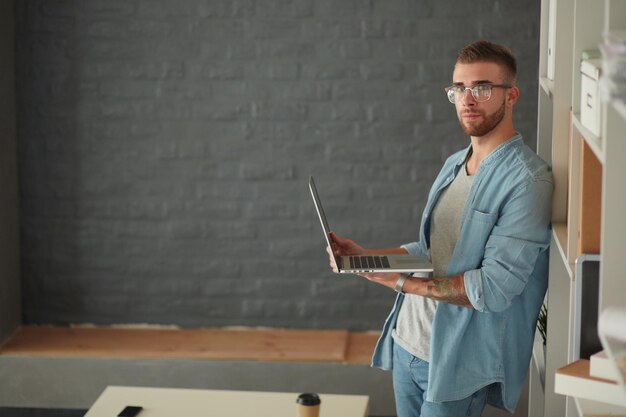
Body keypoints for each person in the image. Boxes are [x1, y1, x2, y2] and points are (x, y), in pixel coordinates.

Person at [326, 40, 553, 417]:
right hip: (407, 343)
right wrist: (367, 257)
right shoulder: (454, 164)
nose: (468, 99)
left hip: (454, 364)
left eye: (482, 88)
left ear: (510, 96)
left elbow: (493, 289)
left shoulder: (528, 181)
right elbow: (433, 249)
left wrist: (399, 282)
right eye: (458, 89)